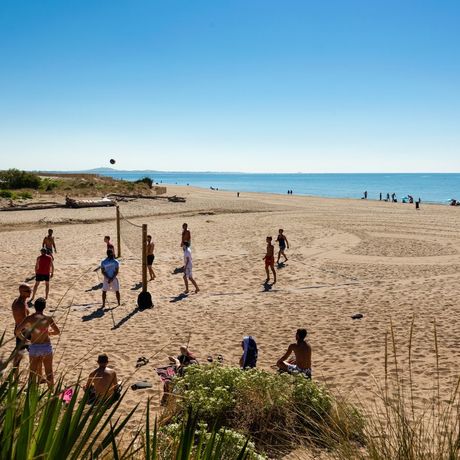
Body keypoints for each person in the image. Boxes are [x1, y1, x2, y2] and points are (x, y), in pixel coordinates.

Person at [15, 298, 60, 387]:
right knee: (49, 373)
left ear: (35, 307)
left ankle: (31, 396)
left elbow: (17, 331)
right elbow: (57, 332)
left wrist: (24, 340)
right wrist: (49, 333)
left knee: (32, 373)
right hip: (46, 346)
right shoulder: (48, 318)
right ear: (44, 307)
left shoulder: (29, 318)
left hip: (34, 346)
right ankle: (52, 394)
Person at [11, 283, 32, 377]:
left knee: (18, 355)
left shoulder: (22, 301)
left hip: (22, 331)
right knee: (34, 353)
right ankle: (35, 377)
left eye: (30, 290)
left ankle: (15, 378)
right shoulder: (20, 305)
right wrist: (25, 338)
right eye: (28, 291)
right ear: (21, 292)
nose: (30, 292)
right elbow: (22, 323)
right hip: (23, 333)